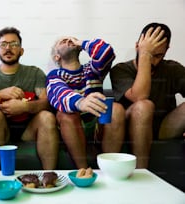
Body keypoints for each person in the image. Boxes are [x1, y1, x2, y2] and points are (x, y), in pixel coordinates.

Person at [0, 27, 59, 170]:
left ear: (21, 51)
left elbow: (47, 103)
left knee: (46, 116)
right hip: (0, 131)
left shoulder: (34, 73)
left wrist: (25, 107)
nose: (8, 48)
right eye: (3, 44)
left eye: (14, 44)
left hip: (29, 131)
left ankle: (49, 177)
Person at [110, 22, 185, 168]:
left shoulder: (173, 69)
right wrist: (145, 55)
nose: (153, 61)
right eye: (148, 53)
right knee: (144, 106)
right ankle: (141, 171)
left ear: (166, 50)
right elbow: (139, 97)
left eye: (158, 55)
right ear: (137, 46)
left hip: (163, 127)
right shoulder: (120, 70)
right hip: (133, 126)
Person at [46, 37, 125, 168]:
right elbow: (59, 92)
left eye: (71, 39)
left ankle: (111, 168)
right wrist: (80, 102)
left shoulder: (92, 70)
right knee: (65, 115)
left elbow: (107, 52)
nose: (68, 41)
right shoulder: (55, 75)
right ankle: (83, 171)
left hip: (97, 125)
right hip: (72, 128)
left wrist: (81, 44)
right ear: (57, 57)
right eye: (62, 41)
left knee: (117, 109)